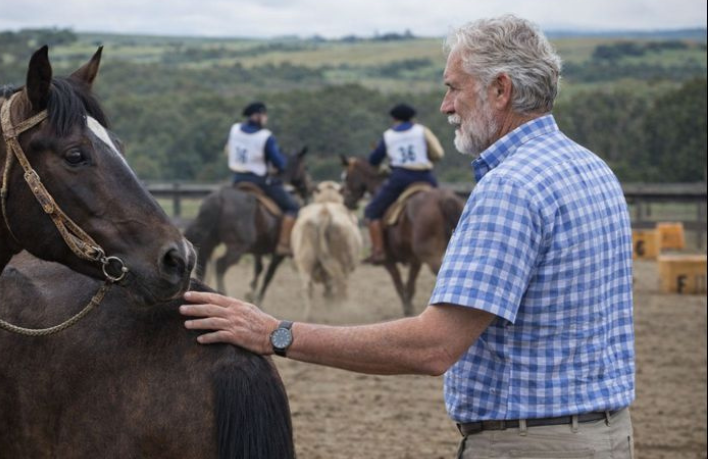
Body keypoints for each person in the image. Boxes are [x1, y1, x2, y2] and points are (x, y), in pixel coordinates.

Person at [183, 15, 634, 458]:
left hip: (529, 445)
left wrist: (275, 334)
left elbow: (432, 346)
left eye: (454, 87)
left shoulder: (509, 188)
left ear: (500, 89)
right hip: (608, 434)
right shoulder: (593, 169)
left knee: (373, 211)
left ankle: (376, 244)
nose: (446, 105)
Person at [362, 103, 444, 264]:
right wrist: (427, 158)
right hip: (425, 176)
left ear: (394, 119)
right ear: (412, 118)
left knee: (372, 211)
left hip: (400, 178)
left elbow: (373, 160)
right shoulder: (422, 130)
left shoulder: (388, 135)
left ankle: (378, 251)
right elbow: (438, 153)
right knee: (443, 205)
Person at [226, 101, 299, 255]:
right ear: (258, 116)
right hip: (259, 181)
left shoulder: (235, 129)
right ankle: (284, 244)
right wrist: (280, 166)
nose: (266, 118)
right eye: (264, 115)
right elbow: (279, 163)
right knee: (293, 207)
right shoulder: (265, 137)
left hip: (237, 179)